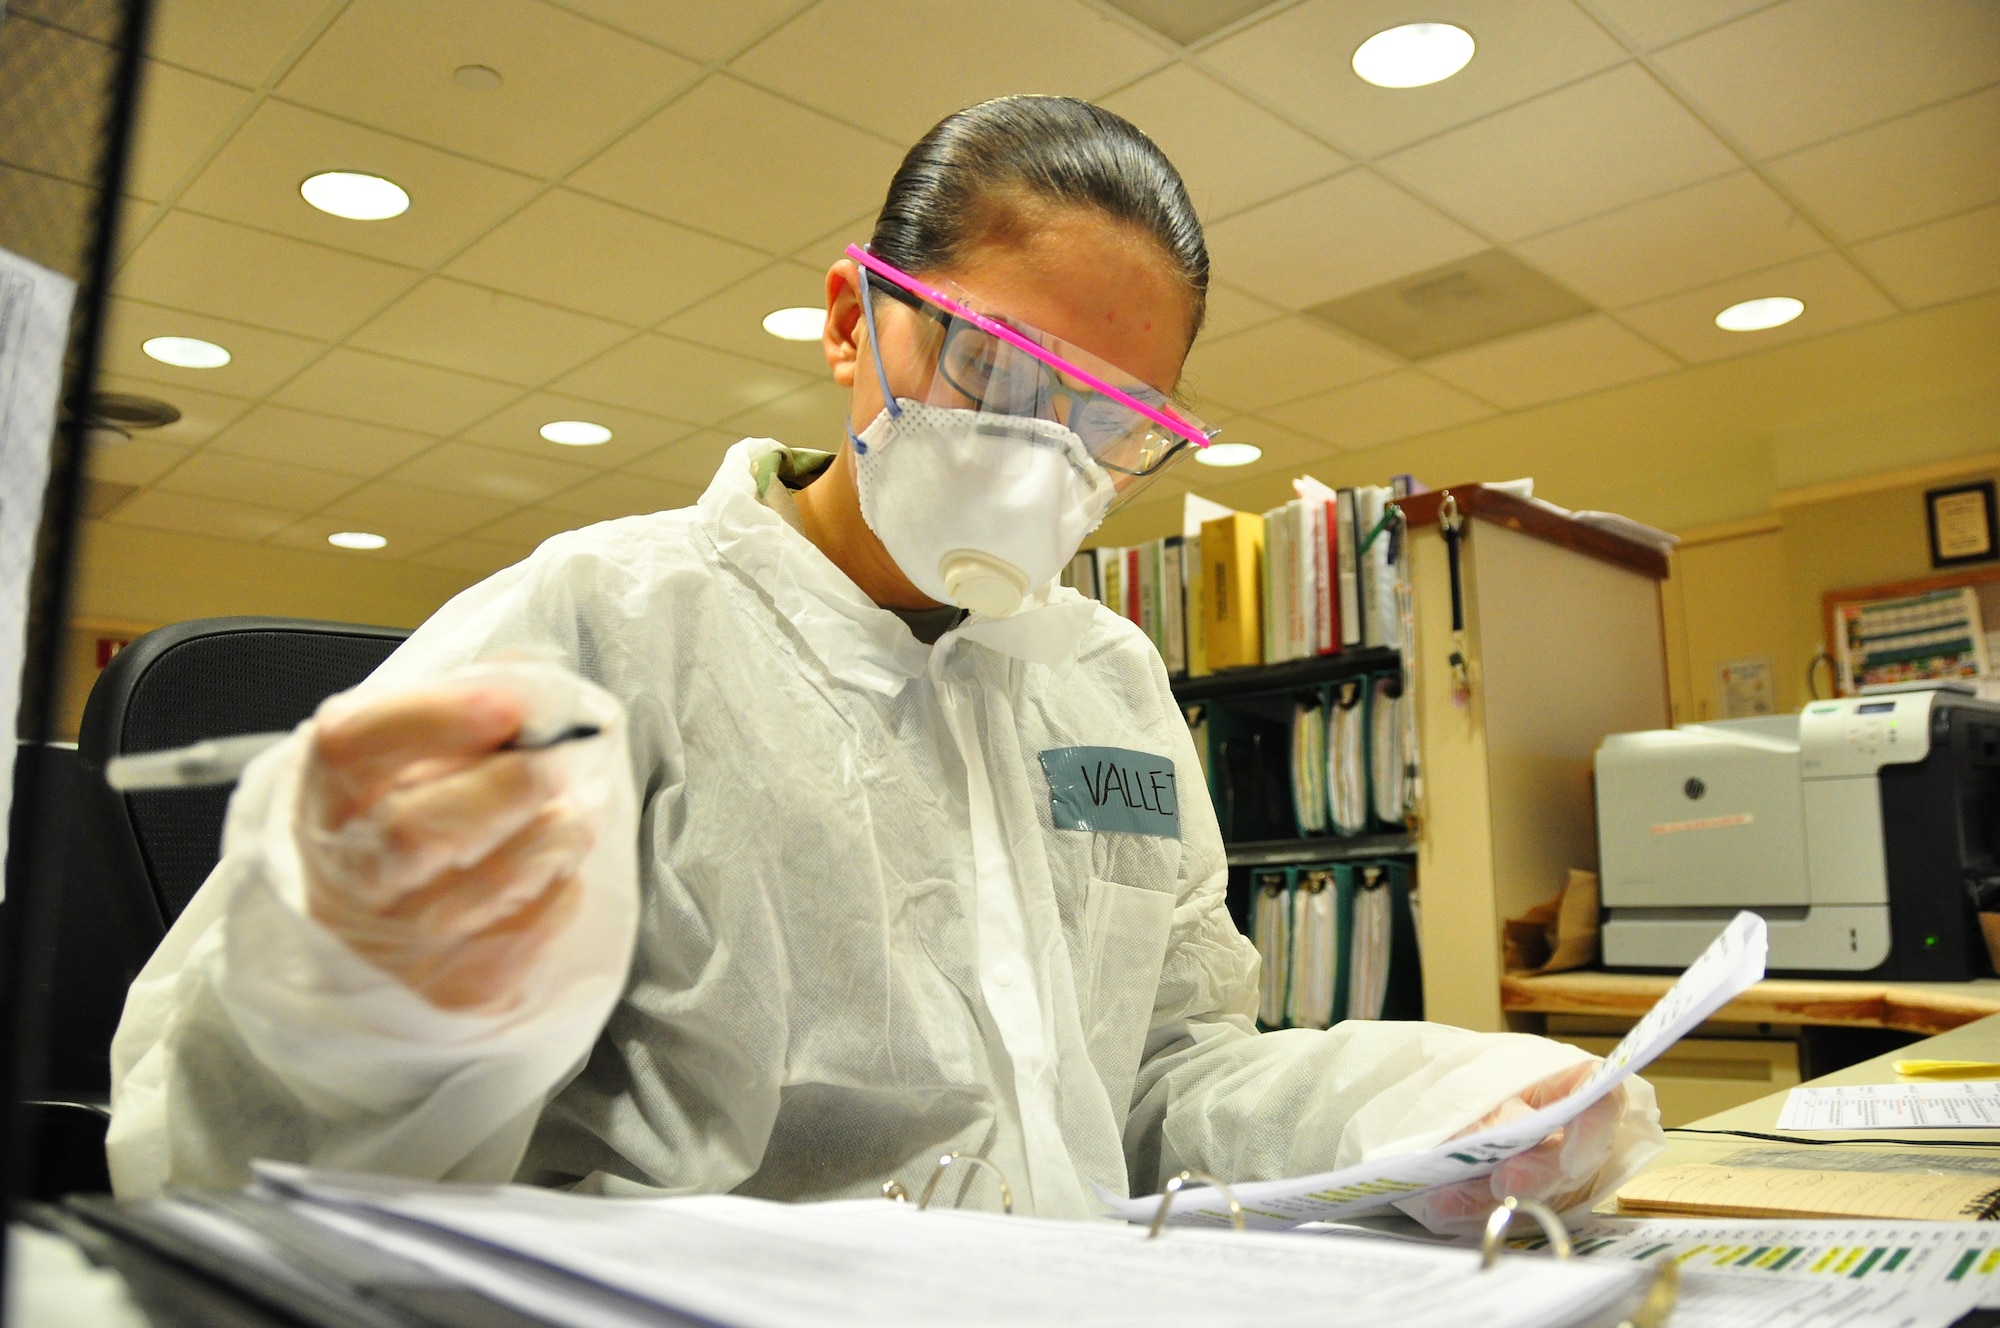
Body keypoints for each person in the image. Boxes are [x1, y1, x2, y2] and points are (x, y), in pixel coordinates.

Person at [106, 96, 1660, 1229]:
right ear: (857, 318)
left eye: (1115, 418)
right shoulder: (595, 629)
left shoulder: (1104, 676)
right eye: (993, 363)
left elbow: (1168, 1078)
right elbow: (221, 1169)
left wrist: (1432, 1110)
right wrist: (363, 994)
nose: (1046, 452)